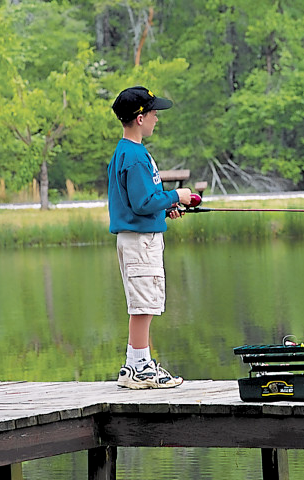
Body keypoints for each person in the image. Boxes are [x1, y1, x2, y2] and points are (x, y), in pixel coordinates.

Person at [108, 86, 193, 389]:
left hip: (139, 236)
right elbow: (142, 203)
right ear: (140, 117)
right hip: (140, 242)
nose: (157, 117)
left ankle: (134, 365)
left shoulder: (129, 153)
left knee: (144, 303)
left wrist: (166, 208)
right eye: (154, 112)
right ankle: (142, 368)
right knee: (144, 305)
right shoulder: (133, 156)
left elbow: (143, 202)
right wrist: (178, 194)